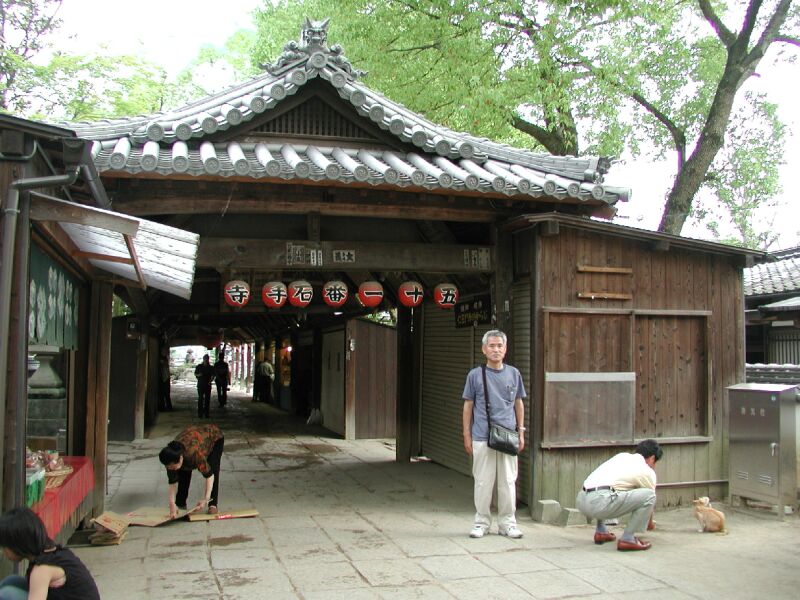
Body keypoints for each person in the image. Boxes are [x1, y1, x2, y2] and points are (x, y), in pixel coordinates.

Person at [462, 329, 526, 539]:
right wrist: (467, 435)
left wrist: (521, 431)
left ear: (505, 349)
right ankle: (481, 522)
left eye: (500, 346)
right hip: (482, 436)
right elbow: (468, 406)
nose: (496, 349)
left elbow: (518, 403)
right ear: (484, 349)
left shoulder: (514, 374)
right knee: (483, 482)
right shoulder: (475, 375)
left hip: (508, 436)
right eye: (492, 346)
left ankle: (508, 523)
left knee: (508, 481)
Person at [575, 439, 663, 551]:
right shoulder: (647, 471)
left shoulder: (621, 456)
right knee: (649, 495)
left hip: (581, 501)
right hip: (599, 504)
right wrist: (649, 524)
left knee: (613, 487)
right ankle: (628, 539)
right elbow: (649, 498)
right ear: (652, 458)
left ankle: (601, 531)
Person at [0, 506, 100, 600]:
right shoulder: (52, 552)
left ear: (17, 545)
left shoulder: (42, 570)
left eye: (4, 546)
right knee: (12, 581)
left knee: (6, 594)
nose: (3, 551)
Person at [158, 424, 225, 517]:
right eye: (169, 467)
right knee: (183, 472)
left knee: (212, 468)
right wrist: (172, 503)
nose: (171, 469)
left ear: (180, 458)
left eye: (173, 466)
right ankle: (180, 503)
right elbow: (172, 482)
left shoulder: (195, 454)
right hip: (192, 438)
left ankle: (213, 504)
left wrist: (206, 499)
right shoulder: (170, 457)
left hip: (214, 437)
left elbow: (209, 476)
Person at [194, 354, 214, 418]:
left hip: (207, 385)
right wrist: (199, 375)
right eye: (205, 359)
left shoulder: (211, 367)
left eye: (207, 359)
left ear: (208, 359)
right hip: (200, 384)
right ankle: (200, 413)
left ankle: (206, 413)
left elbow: (213, 375)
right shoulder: (199, 366)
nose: (206, 360)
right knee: (200, 398)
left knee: (207, 399)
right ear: (203, 359)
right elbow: (195, 373)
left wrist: (210, 381)